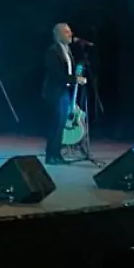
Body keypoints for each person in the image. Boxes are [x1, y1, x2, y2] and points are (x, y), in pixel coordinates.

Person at [42, 23, 86, 164]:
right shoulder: (53, 51)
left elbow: (68, 71)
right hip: (55, 91)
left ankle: (57, 154)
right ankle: (50, 155)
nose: (70, 34)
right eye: (67, 32)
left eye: (70, 31)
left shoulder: (67, 50)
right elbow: (56, 74)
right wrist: (75, 79)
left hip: (64, 91)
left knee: (61, 125)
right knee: (55, 124)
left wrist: (76, 78)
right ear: (58, 34)